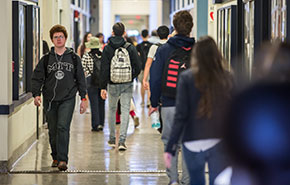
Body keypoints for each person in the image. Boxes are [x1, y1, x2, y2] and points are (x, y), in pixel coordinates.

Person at [163, 36, 232, 185]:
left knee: (196, 181)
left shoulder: (187, 78)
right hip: (218, 140)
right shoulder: (227, 77)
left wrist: (170, 147)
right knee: (218, 181)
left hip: (192, 141)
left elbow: (181, 115)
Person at [31, 24, 87, 171]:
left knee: (63, 127)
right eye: (55, 37)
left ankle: (63, 159)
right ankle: (55, 156)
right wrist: (36, 94)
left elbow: (81, 79)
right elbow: (36, 78)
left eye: (61, 36)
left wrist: (83, 98)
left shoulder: (74, 58)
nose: (59, 39)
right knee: (53, 129)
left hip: (68, 98)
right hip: (50, 99)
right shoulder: (46, 59)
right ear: (52, 40)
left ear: (65, 38)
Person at [149, 10, 195, 185]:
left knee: (170, 143)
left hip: (169, 103)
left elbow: (155, 79)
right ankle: (188, 180)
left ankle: (173, 179)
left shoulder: (164, 50)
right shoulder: (198, 50)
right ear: (190, 28)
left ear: (174, 27)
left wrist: (154, 103)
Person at [100, 22, 141, 151]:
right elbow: (138, 66)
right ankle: (122, 141)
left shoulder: (107, 48)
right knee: (125, 111)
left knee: (112, 110)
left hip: (112, 83)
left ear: (113, 32)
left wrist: (103, 86)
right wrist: (131, 76)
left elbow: (104, 68)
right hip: (127, 84)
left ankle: (112, 139)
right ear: (124, 33)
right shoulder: (130, 47)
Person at [81, 37, 105, 132]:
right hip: (101, 81)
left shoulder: (87, 56)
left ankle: (95, 125)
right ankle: (101, 123)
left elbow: (83, 69)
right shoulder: (103, 55)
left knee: (94, 103)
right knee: (101, 103)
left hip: (91, 81)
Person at [143, 25, 170, 90]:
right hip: (170, 76)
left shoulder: (154, 47)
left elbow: (148, 64)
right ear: (168, 34)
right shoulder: (172, 46)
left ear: (158, 34)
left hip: (157, 76)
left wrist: (144, 79)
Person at [136, 29, 152, 107]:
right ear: (148, 35)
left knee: (142, 84)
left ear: (141, 36)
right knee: (148, 84)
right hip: (150, 67)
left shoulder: (138, 46)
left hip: (142, 67)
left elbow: (137, 57)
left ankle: (142, 101)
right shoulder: (151, 45)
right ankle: (149, 101)